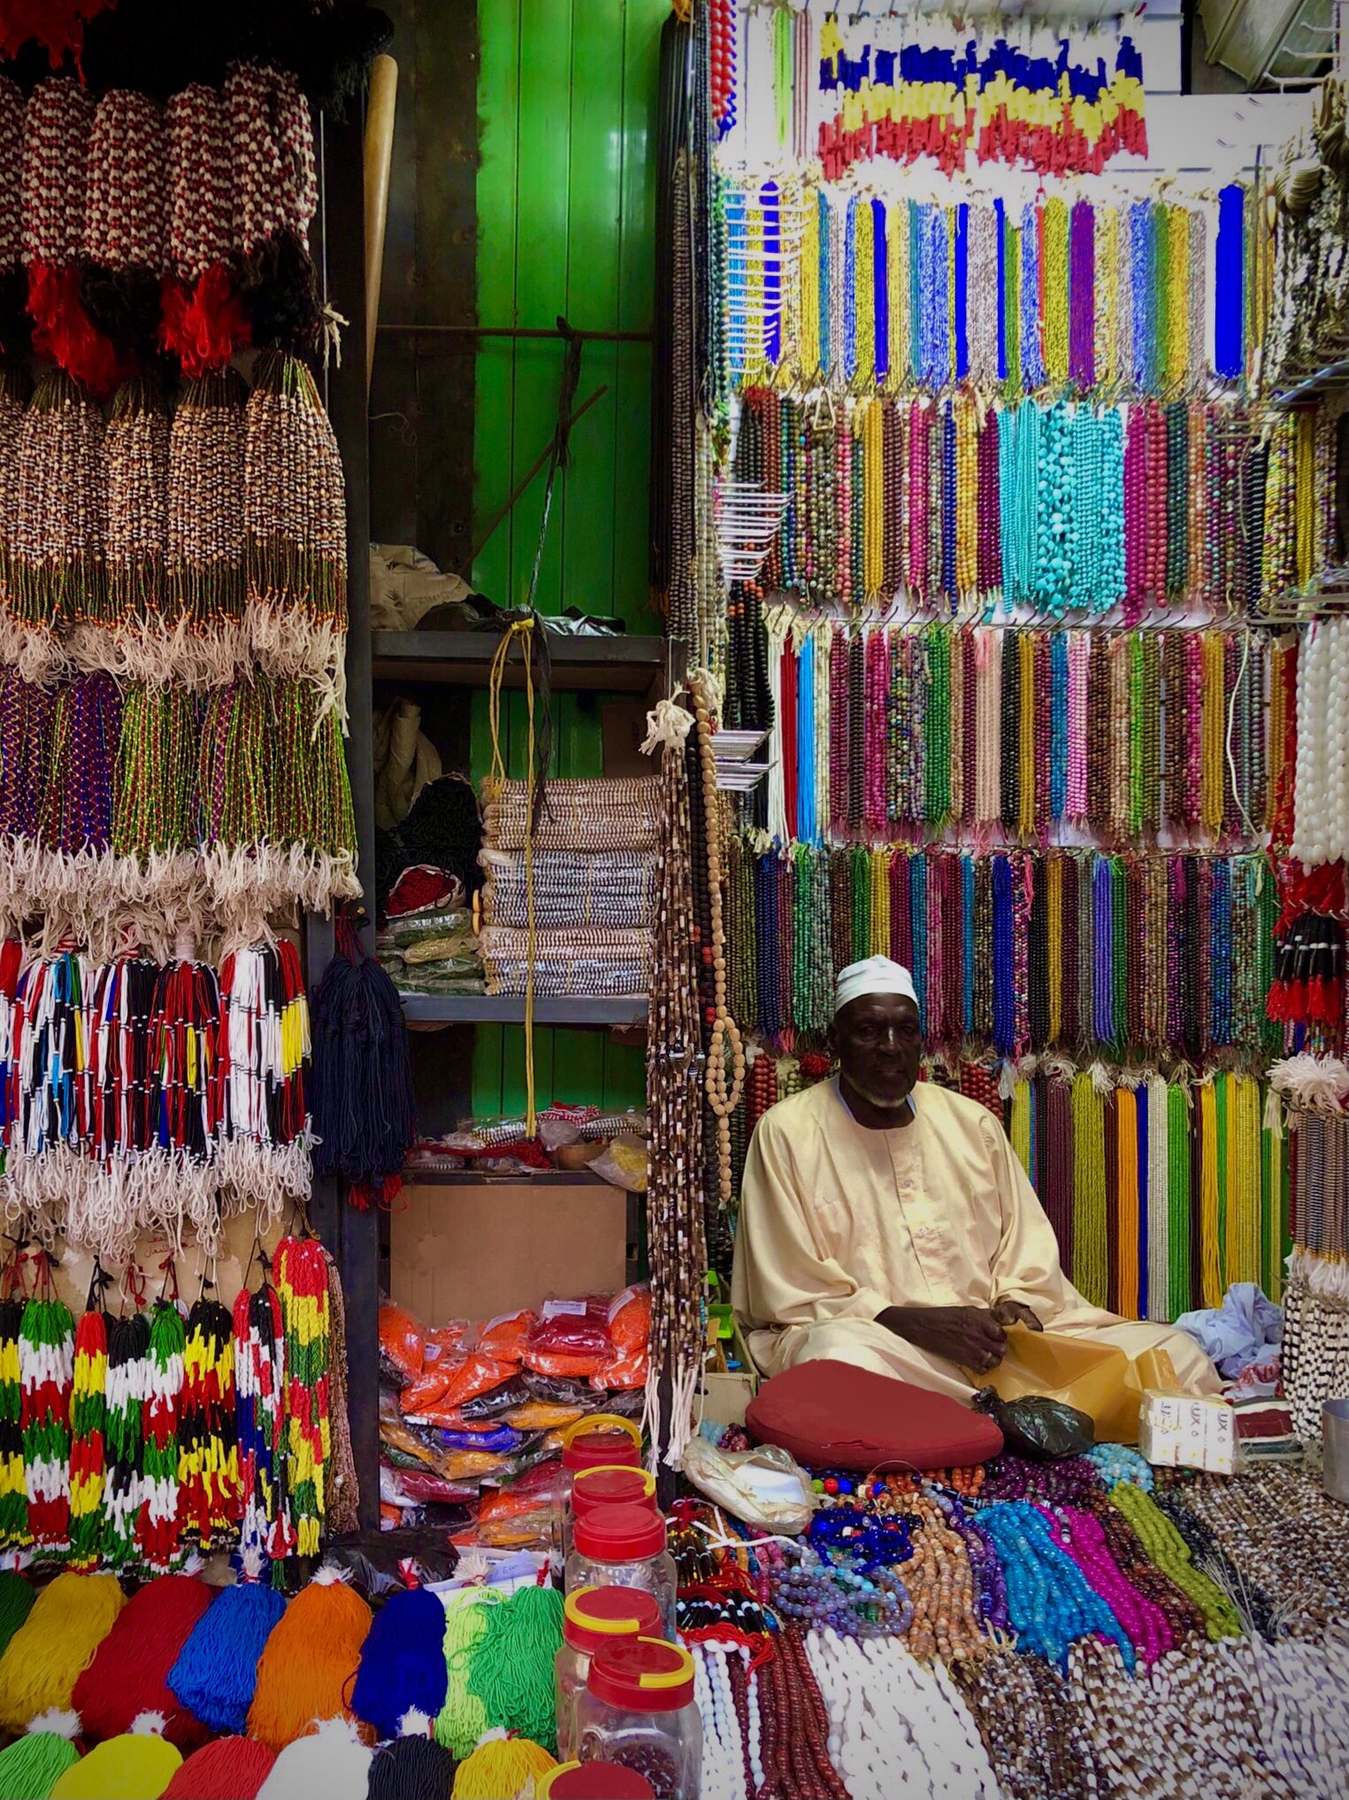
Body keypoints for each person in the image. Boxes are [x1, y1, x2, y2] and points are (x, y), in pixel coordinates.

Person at [731, 955, 1220, 1402]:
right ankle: (1017, 1413)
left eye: (906, 1030)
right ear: (836, 1042)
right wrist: (913, 1324)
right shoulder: (787, 1133)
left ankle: (984, 1415)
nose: (891, 1048)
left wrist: (1014, 1301)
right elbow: (793, 1292)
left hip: (994, 1345)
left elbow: (1023, 1246)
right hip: (888, 1347)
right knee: (836, 1358)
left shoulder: (971, 1123)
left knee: (1177, 1354)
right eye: (869, 1031)